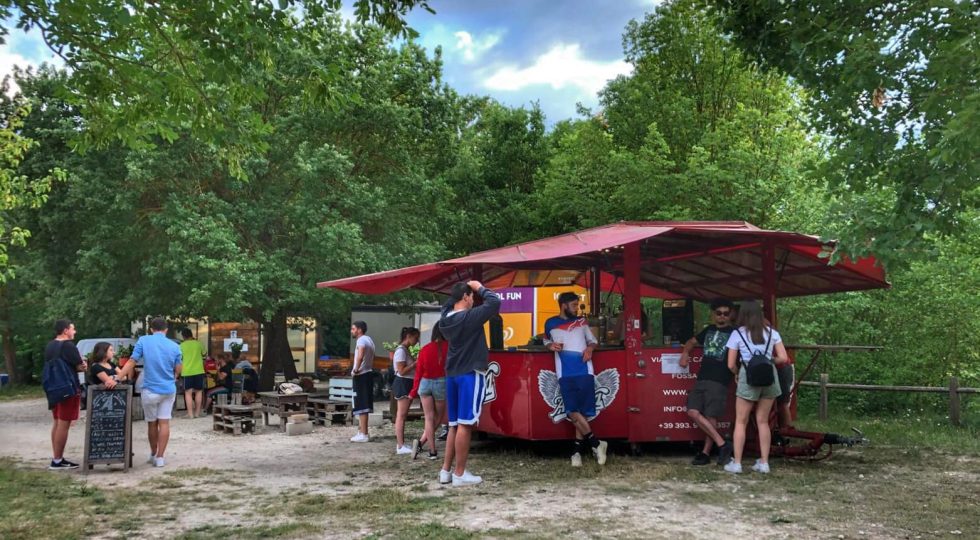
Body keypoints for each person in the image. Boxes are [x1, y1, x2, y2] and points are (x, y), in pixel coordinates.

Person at [437, 281, 501, 487]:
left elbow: (448, 304)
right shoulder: (470, 317)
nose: (474, 300)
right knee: (466, 424)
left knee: (454, 424)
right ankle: (460, 473)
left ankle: (446, 471)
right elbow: (494, 302)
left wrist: (461, 289)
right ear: (465, 297)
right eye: (471, 296)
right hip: (470, 373)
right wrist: (479, 286)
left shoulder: (445, 319)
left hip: (452, 373)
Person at [544, 292, 609, 467]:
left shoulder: (582, 322)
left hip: (584, 370)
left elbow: (593, 341)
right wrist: (550, 345)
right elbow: (544, 339)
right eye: (573, 304)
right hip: (564, 373)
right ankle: (596, 443)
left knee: (581, 412)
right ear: (564, 305)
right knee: (572, 412)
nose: (576, 307)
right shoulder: (550, 323)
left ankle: (576, 453)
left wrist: (590, 349)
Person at [723, 301, 789, 474]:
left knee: (741, 421)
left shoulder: (737, 334)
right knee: (763, 421)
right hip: (769, 377)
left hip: (748, 376)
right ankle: (764, 463)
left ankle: (737, 463)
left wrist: (738, 372)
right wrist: (768, 361)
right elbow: (783, 358)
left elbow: (730, 364)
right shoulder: (772, 333)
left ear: (742, 315)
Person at [679, 299, 736, 466]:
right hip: (702, 377)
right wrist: (685, 354)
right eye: (719, 313)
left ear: (730, 315)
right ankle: (723, 444)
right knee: (692, 411)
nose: (722, 317)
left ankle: (705, 453)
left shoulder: (735, 332)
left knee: (711, 416)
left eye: (726, 313)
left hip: (720, 379)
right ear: (713, 315)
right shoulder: (708, 330)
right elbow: (691, 342)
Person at [131, 317, 183, 468]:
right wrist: (175, 376)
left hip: (150, 389)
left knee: (152, 423)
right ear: (166, 329)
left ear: (151, 329)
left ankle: (153, 453)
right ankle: (161, 457)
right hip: (168, 389)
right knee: (164, 422)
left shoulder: (144, 341)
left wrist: (119, 376)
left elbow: (132, 360)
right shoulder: (174, 346)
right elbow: (179, 367)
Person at [45, 319, 86, 470]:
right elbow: (80, 366)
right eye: (73, 329)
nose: (74, 332)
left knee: (56, 422)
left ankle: (57, 457)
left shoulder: (50, 345)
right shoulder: (68, 346)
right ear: (65, 330)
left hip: (53, 387)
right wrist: (85, 365)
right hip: (68, 388)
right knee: (64, 423)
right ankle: (57, 460)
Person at [410, 323, 448, 461]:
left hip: (425, 384)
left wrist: (413, 392)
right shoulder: (449, 348)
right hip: (441, 383)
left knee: (429, 418)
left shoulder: (425, 349)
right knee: (438, 417)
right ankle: (421, 443)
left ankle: (432, 451)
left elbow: (418, 373)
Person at [392, 326, 421, 455]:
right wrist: (415, 364)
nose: (417, 340)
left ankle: (401, 443)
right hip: (403, 383)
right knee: (401, 415)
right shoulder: (401, 351)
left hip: (407, 383)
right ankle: (400, 445)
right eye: (416, 338)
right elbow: (402, 371)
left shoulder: (406, 350)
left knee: (403, 415)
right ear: (408, 336)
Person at [349, 320, 376, 443]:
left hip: (362, 374)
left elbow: (360, 355)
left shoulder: (361, 341)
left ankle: (364, 433)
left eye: (353, 329)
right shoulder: (369, 339)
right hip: (368, 373)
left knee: (362, 404)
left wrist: (355, 369)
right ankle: (361, 431)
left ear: (359, 330)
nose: (352, 331)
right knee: (363, 403)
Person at [179, 328, 206, 418]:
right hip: (199, 370)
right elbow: (204, 354)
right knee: (199, 392)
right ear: (191, 335)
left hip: (187, 372)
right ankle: (197, 413)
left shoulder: (181, 346)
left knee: (188, 393)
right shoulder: (199, 343)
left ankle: (190, 414)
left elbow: (179, 359)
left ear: (183, 336)